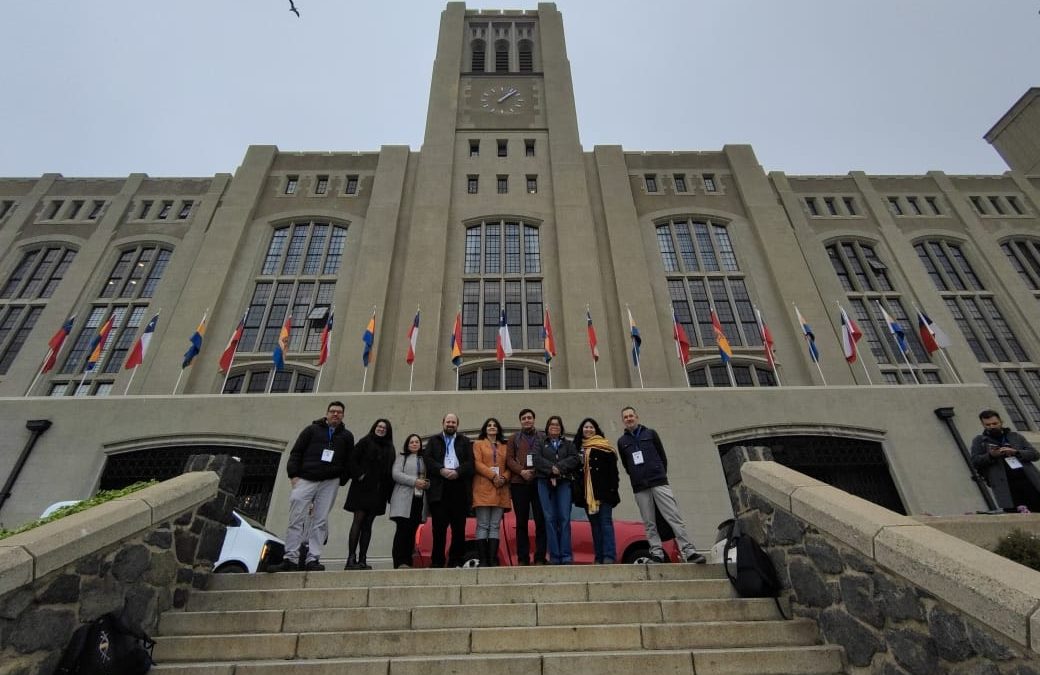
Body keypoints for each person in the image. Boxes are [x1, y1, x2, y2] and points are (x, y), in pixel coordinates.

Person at [269, 401, 354, 572]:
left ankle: (312, 558)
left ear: (343, 415)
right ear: (327, 413)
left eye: (339, 412)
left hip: (330, 481)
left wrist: (340, 479)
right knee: (296, 518)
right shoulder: (311, 430)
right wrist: (293, 475)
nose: (335, 414)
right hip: (307, 478)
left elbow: (349, 459)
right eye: (332, 411)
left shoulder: (346, 436)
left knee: (320, 520)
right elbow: (296, 452)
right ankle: (290, 558)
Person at [617, 406, 706, 564]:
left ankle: (689, 551)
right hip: (640, 487)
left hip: (658, 482)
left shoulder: (650, 434)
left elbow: (662, 457)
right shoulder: (622, 442)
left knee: (673, 517)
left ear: (637, 417)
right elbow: (627, 465)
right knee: (649, 522)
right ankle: (657, 553)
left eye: (631, 416)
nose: (629, 419)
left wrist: (659, 473)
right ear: (623, 421)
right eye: (625, 417)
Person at [423, 413, 474, 568]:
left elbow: (471, 463)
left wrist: (458, 471)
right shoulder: (433, 440)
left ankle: (455, 560)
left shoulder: (465, 441)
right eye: (448, 422)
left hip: (459, 487)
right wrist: (441, 470)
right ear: (443, 423)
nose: (450, 424)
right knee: (439, 529)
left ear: (457, 424)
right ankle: (437, 561)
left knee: (459, 529)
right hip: (440, 488)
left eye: (453, 422)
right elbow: (428, 459)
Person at [343, 419, 396, 570]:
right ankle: (351, 558)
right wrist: (359, 474)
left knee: (368, 525)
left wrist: (389, 495)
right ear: (374, 427)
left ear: (388, 431)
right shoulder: (365, 441)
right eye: (379, 426)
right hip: (362, 488)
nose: (381, 429)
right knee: (358, 521)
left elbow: (390, 472)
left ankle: (363, 559)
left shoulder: (389, 447)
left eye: (384, 428)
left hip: (379, 492)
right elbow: (352, 460)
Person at [970, 409, 1040, 512]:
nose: (992, 426)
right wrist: (991, 455)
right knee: (1015, 515)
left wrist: (1016, 452)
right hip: (1005, 486)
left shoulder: (1015, 436)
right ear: (983, 425)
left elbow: (1035, 455)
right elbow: (975, 461)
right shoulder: (979, 441)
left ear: (1001, 422)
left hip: (1029, 481)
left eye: (994, 423)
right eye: (987, 425)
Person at [573, 417, 620, 564]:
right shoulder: (577, 448)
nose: (588, 429)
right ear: (582, 430)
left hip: (604, 492)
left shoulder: (605, 447)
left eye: (591, 427)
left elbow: (614, 472)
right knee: (595, 526)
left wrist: (613, 489)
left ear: (596, 430)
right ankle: (599, 557)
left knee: (605, 523)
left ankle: (609, 556)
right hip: (587, 494)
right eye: (585, 427)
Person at [533, 415, 580, 564]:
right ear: (547, 427)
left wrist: (559, 468)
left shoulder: (568, 444)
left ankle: (566, 556)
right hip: (544, 483)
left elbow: (575, 458)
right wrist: (551, 469)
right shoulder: (540, 443)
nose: (554, 426)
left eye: (557, 425)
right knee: (549, 519)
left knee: (564, 519)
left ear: (561, 428)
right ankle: (554, 556)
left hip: (563, 483)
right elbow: (536, 459)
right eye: (552, 424)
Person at [505, 408, 548, 565]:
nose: (527, 420)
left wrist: (536, 470)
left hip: (539, 483)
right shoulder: (513, 438)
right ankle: (523, 558)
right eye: (524, 418)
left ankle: (540, 557)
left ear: (534, 419)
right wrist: (521, 471)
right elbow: (509, 459)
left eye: (529, 417)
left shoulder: (543, 436)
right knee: (521, 522)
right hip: (519, 484)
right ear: (520, 421)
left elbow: (547, 457)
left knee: (540, 521)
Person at [472, 417, 511, 566]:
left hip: (501, 488)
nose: (492, 427)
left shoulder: (504, 446)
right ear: (485, 428)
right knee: (483, 525)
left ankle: (492, 560)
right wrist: (494, 476)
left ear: (498, 429)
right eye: (489, 425)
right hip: (483, 488)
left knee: (495, 525)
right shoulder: (478, 444)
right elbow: (477, 463)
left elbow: (509, 466)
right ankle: (483, 560)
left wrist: (504, 477)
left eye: (495, 425)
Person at [389, 433, 430, 569]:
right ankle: (399, 562)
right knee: (402, 531)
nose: (414, 444)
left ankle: (408, 561)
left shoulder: (424, 459)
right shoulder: (402, 457)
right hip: (403, 500)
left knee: (412, 532)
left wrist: (426, 484)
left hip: (418, 500)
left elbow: (428, 478)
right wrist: (414, 481)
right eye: (411, 442)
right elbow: (396, 474)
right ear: (407, 444)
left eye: (417, 442)